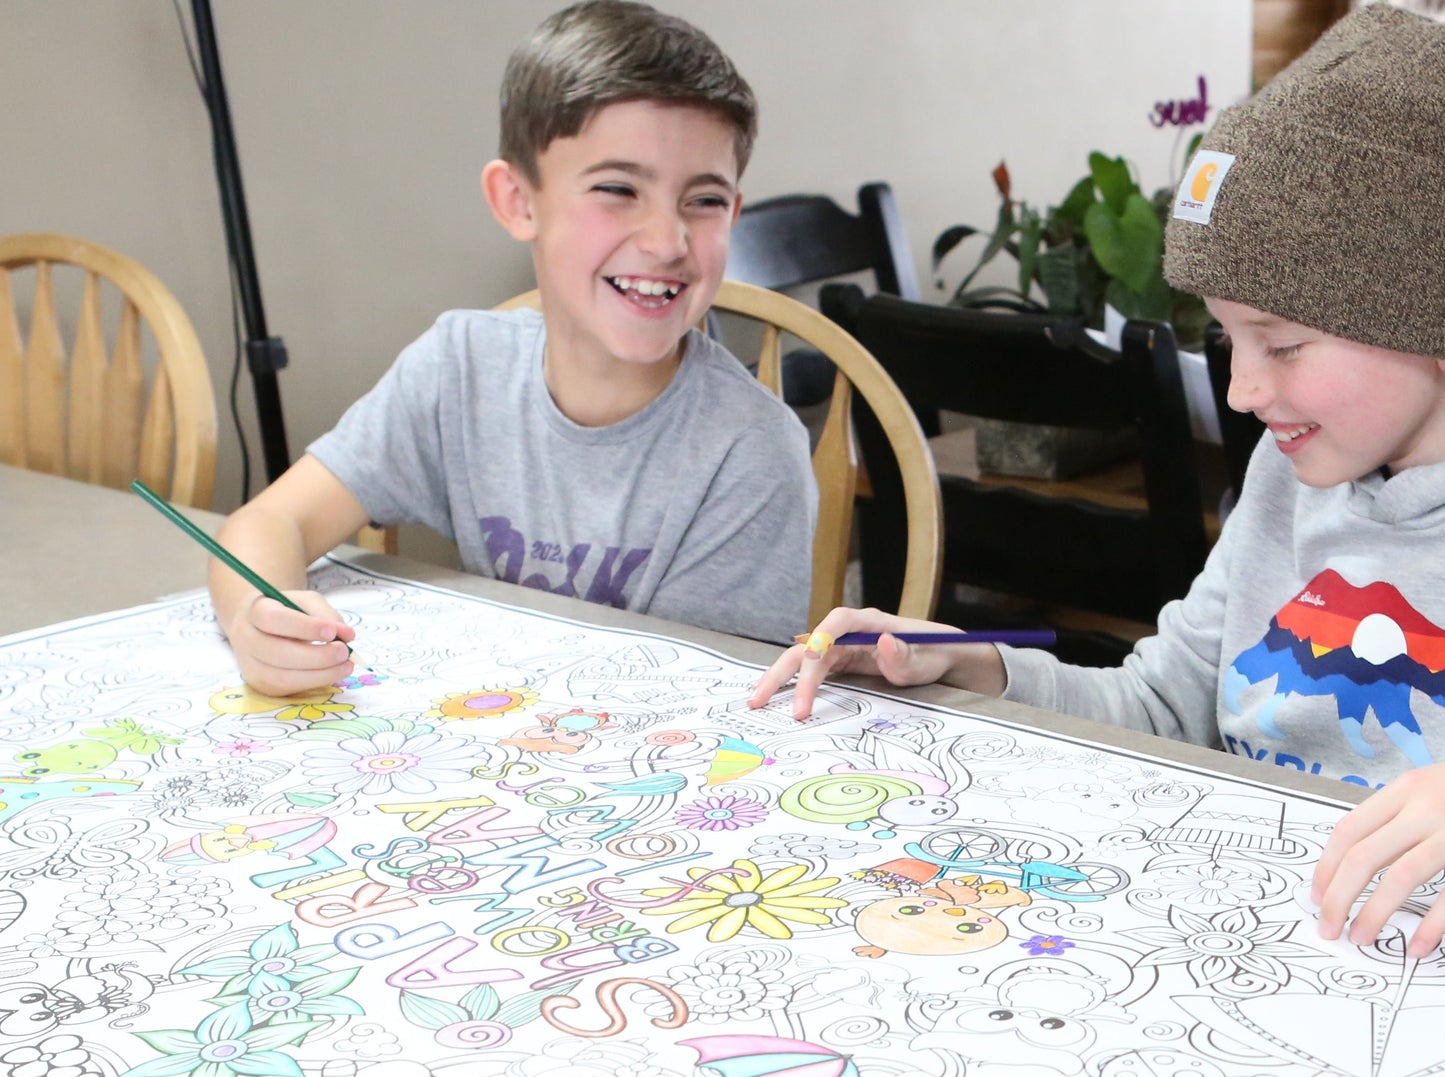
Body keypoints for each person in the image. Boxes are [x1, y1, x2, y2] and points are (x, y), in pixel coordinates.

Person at [752, 5, 1445, 961]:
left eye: (1282, 343)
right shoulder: (1288, 474)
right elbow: (1164, 706)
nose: (1243, 391)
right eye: (1227, 339)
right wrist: (978, 664)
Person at [210, 0, 816, 692]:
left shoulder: (751, 447)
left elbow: (702, 696)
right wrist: (259, 613)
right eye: (618, 189)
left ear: (733, 211)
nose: (666, 241)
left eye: (703, 200)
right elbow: (271, 520)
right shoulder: (459, 368)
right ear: (516, 201)